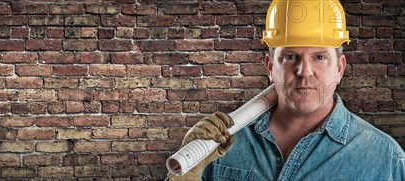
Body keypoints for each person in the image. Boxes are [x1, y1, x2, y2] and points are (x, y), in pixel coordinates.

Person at [168, 0, 405, 180]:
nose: (304, 71)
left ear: (340, 68)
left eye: (320, 57)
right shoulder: (219, 146)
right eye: (290, 56)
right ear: (270, 66)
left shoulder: (385, 159)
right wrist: (185, 175)